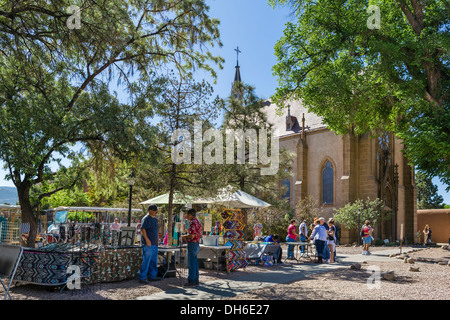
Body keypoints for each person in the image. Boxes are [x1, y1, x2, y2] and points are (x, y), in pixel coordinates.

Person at [138, 205, 161, 284]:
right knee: (146, 260)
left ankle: (152, 276)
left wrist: (157, 239)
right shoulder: (146, 219)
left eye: (156, 210)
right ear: (150, 210)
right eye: (154, 210)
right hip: (147, 243)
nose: (156, 212)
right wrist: (147, 240)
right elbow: (143, 229)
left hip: (154, 243)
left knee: (154, 260)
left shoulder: (155, 219)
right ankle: (142, 277)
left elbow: (156, 230)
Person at [181, 208, 203, 286]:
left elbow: (192, 235)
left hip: (192, 243)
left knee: (191, 263)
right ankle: (196, 280)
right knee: (195, 263)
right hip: (196, 243)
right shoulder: (198, 222)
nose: (187, 216)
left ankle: (192, 281)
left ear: (190, 215)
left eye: (187, 215)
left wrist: (184, 236)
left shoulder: (193, 223)